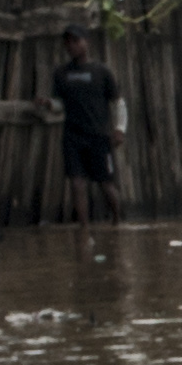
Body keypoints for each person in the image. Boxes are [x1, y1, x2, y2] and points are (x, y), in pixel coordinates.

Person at [52, 28, 124, 223]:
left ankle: (117, 220)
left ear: (86, 42)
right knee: (77, 183)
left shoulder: (102, 72)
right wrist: (49, 104)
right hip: (73, 136)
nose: (71, 46)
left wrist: (119, 129)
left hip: (98, 136)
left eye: (76, 41)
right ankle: (83, 228)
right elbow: (60, 103)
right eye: (67, 42)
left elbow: (118, 102)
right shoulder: (61, 73)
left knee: (105, 184)